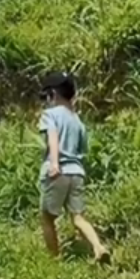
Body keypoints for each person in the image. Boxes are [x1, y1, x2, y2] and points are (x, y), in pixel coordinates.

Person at [37, 71, 110, 263]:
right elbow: (83, 148)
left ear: (53, 94)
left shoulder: (50, 114)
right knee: (78, 217)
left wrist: (54, 162)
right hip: (76, 172)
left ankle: (55, 259)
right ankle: (98, 247)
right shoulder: (77, 120)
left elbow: (52, 136)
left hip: (57, 170)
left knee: (47, 218)